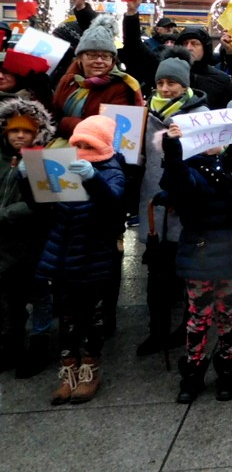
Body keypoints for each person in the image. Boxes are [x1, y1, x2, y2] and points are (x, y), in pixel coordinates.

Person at [33, 115, 127, 404]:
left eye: (90, 142)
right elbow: (43, 207)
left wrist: (93, 179)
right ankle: (69, 369)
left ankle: (90, 367)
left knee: (94, 317)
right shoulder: (62, 163)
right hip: (63, 253)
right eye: (80, 142)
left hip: (94, 255)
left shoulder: (112, 170)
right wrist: (29, 178)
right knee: (68, 316)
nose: (84, 146)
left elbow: (114, 206)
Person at [160, 121, 232, 402]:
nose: (213, 141)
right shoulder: (191, 170)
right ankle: (193, 372)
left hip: (229, 256)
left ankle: (227, 372)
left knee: (228, 317)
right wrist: (172, 148)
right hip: (200, 257)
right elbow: (177, 177)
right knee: (198, 318)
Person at [135, 56, 209, 357]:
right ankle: (157, 330)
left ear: (185, 85)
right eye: (160, 83)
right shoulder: (143, 114)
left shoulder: (200, 114)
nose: (165, 89)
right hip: (154, 207)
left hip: (185, 208)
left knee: (187, 275)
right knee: (157, 277)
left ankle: (187, 327)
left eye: (172, 83)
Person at [0, 99, 54, 372]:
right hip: (4, 244)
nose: (20, 136)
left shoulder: (40, 161)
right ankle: (11, 343)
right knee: (10, 295)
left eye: (27, 131)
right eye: (14, 131)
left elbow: (44, 202)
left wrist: (7, 213)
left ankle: (39, 341)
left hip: (33, 239)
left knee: (38, 292)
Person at [52, 15, 144, 139]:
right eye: (92, 55)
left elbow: (107, 130)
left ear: (112, 60)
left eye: (106, 56)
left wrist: (65, 123)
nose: (99, 61)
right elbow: (53, 116)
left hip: (97, 151)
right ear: (79, 58)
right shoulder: (68, 80)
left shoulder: (120, 87)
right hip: (62, 149)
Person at [175, 25, 232, 109]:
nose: (189, 48)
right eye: (185, 44)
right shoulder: (171, 77)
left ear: (205, 48)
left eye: (195, 43)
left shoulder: (221, 79)